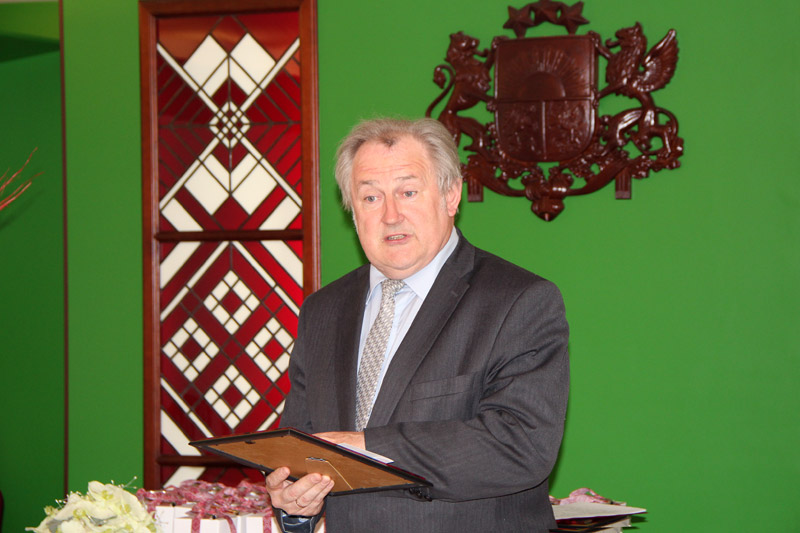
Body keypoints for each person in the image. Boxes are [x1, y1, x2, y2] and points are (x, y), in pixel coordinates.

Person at [266, 117, 569, 532]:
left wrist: (366, 447)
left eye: (408, 192)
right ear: (352, 211)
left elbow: (520, 445)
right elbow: (301, 447)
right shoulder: (322, 310)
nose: (391, 215)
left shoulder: (518, 301)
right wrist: (294, 503)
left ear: (450, 195)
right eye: (370, 197)